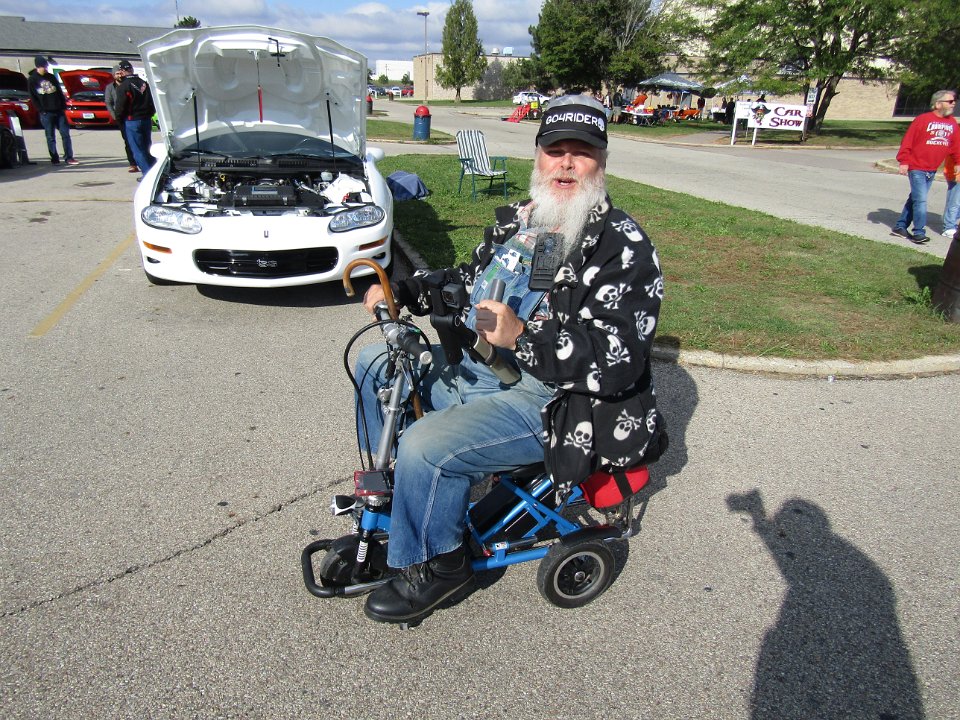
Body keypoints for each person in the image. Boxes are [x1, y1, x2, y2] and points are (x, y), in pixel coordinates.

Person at [355, 95, 666, 624]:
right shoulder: (526, 223)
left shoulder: (623, 247)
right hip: (481, 369)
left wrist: (522, 336)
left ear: (602, 161)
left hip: (557, 401)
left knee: (427, 445)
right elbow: (463, 278)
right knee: (374, 365)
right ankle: (396, 507)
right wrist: (402, 292)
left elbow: (618, 360)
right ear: (538, 156)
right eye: (555, 150)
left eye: (581, 152)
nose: (566, 163)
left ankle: (438, 562)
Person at [891, 89, 960, 244]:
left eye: (954, 101)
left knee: (915, 198)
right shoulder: (923, 120)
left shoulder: (952, 123)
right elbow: (908, 140)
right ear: (937, 104)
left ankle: (900, 226)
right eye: (950, 101)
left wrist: (958, 162)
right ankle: (918, 232)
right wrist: (904, 161)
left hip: (932, 168)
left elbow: (956, 145)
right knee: (921, 200)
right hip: (917, 167)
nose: (953, 103)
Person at [27, 55, 77, 166]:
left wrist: (63, 106)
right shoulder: (32, 79)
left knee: (65, 134)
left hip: (59, 110)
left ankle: (69, 157)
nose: (45, 69)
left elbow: (59, 91)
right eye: (43, 67)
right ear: (37, 67)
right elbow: (33, 97)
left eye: (46, 66)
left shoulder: (51, 77)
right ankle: (54, 158)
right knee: (50, 136)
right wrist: (41, 110)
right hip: (46, 112)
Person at [113, 60, 156, 176]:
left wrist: (119, 119)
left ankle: (147, 175)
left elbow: (120, 106)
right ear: (131, 69)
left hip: (132, 120)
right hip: (146, 119)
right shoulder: (143, 83)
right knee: (147, 147)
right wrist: (150, 114)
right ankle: (154, 172)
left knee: (138, 149)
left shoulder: (123, 86)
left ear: (122, 71)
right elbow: (152, 102)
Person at [104, 63, 139, 173]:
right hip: (121, 118)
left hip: (133, 116)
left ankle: (141, 161)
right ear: (114, 75)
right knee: (128, 141)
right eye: (117, 74)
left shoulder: (129, 84)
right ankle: (132, 163)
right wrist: (114, 115)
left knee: (138, 140)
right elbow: (108, 102)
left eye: (120, 73)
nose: (119, 75)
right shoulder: (110, 87)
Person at [943, 153, 959, 239]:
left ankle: (949, 221)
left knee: (955, 202)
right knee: (955, 202)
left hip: (954, 171)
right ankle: (949, 227)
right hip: (956, 173)